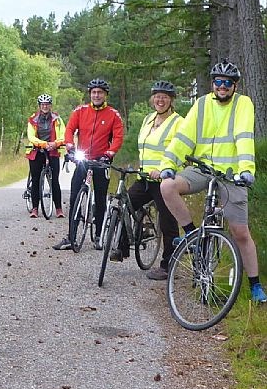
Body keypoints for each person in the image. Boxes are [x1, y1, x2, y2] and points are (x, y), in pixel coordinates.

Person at [159, 59, 267, 303]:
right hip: (203, 169)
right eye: (218, 82)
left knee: (240, 232)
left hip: (232, 174)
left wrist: (247, 169)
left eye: (227, 83)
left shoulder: (243, 104)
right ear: (212, 83)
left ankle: (255, 285)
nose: (222, 86)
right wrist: (168, 164)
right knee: (167, 186)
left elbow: (243, 136)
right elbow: (184, 138)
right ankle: (191, 235)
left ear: (234, 86)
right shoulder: (202, 104)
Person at [110, 81, 182, 280]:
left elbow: (180, 151)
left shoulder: (178, 122)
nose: (160, 100)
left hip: (165, 180)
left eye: (165, 97)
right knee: (125, 205)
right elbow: (145, 148)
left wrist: (164, 170)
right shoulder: (148, 119)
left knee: (168, 222)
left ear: (171, 100)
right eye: (157, 96)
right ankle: (121, 248)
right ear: (152, 99)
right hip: (145, 178)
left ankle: (168, 265)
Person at [53, 78, 124, 250]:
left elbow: (118, 137)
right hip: (83, 159)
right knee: (75, 195)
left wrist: (109, 153)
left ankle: (98, 235)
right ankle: (71, 237)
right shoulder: (80, 111)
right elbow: (69, 129)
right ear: (90, 94)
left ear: (105, 94)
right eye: (93, 92)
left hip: (101, 161)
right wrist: (69, 146)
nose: (96, 95)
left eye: (100, 92)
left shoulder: (113, 114)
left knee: (100, 198)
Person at [25, 93, 66, 218]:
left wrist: (56, 143)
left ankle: (59, 209)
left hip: (53, 150)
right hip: (37, 150)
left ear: (50, 105)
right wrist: (43, 144)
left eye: (47, 104)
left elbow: (63, 135)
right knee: (36, 180)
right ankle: (35, 208)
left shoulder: (57, 119)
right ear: (39, 106)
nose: (45, 106)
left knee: (55, 181)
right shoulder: (33, 119)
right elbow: (31, 136)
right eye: (42, 104)